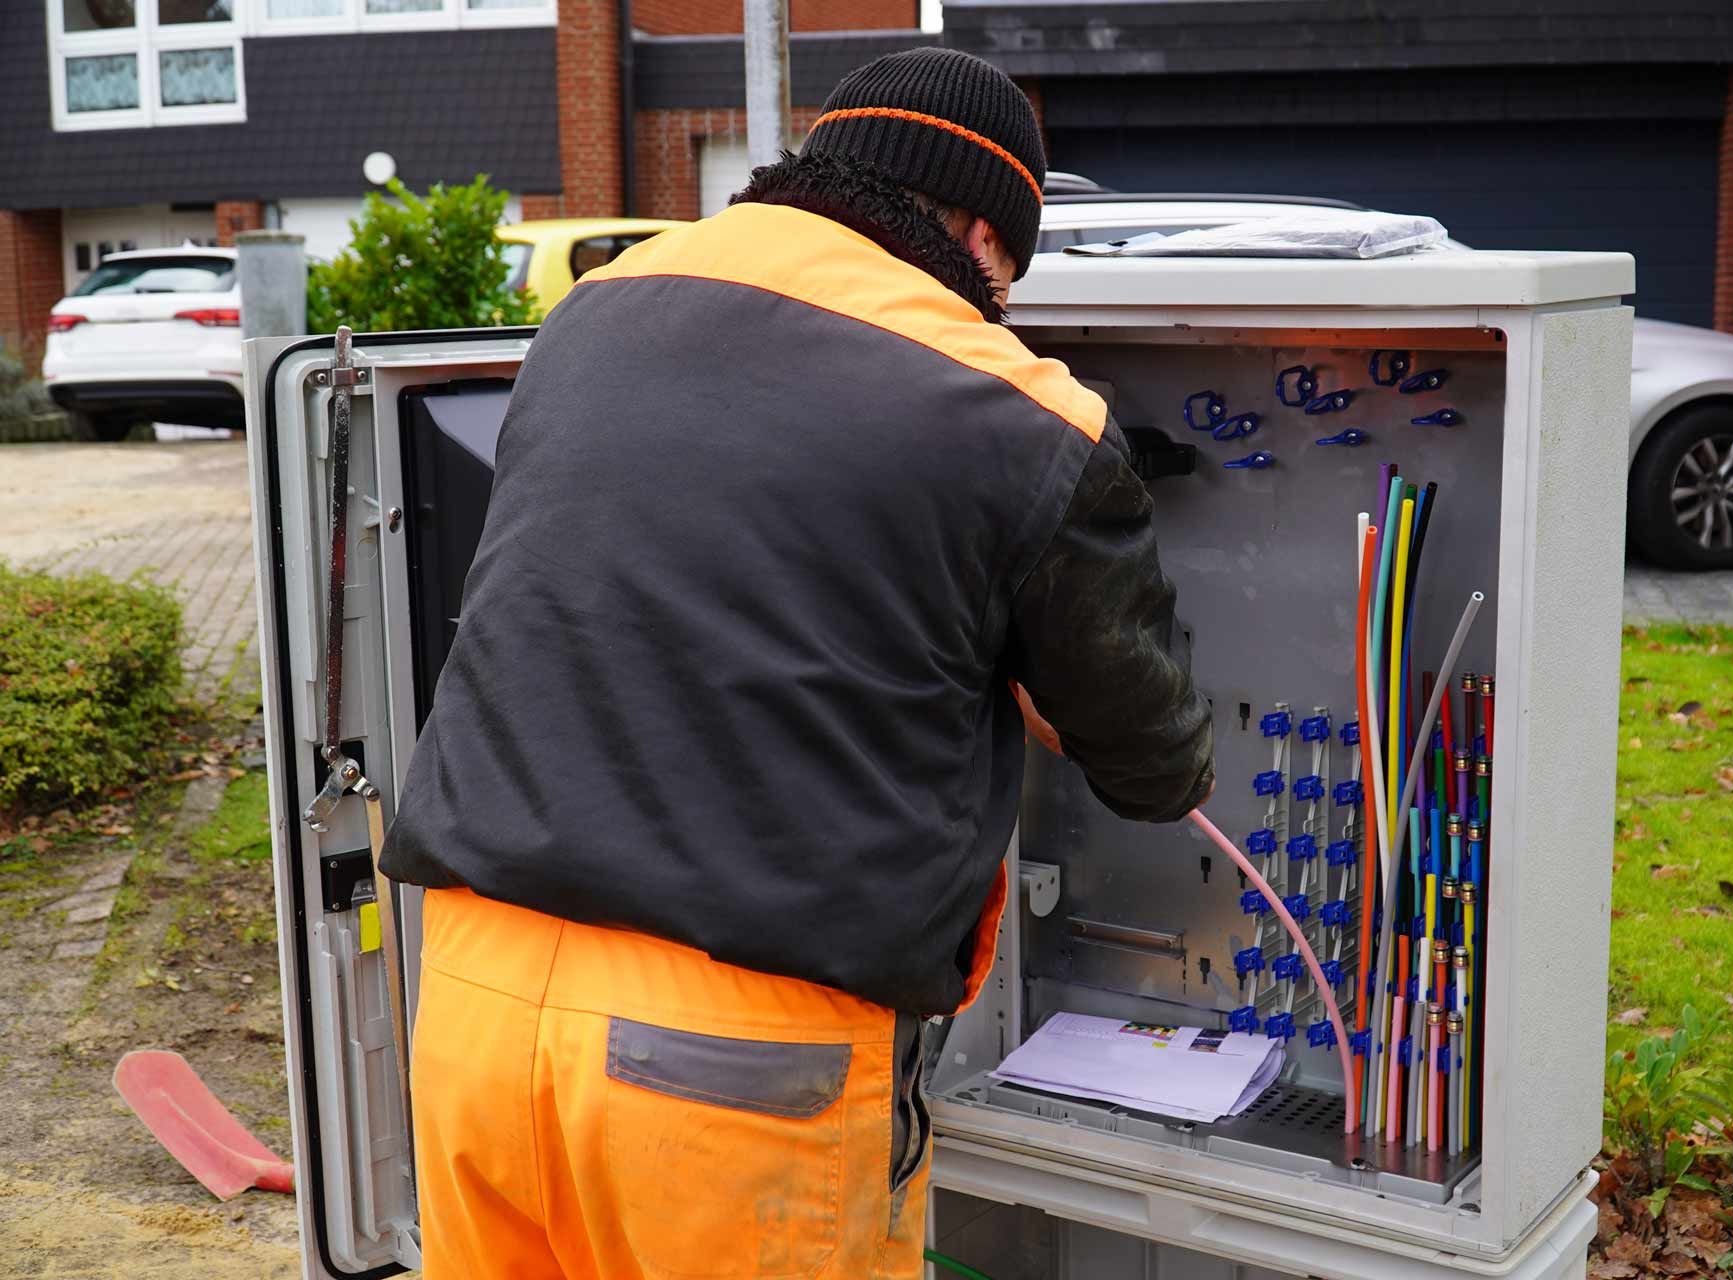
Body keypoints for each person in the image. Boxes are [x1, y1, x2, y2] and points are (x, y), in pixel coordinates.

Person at [381, 45, 1214, 1279]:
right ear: (984, 234)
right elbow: (1155, 760)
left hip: (472, 1011)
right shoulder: (1023, 412)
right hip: (734, 1066)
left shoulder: (596, 307)